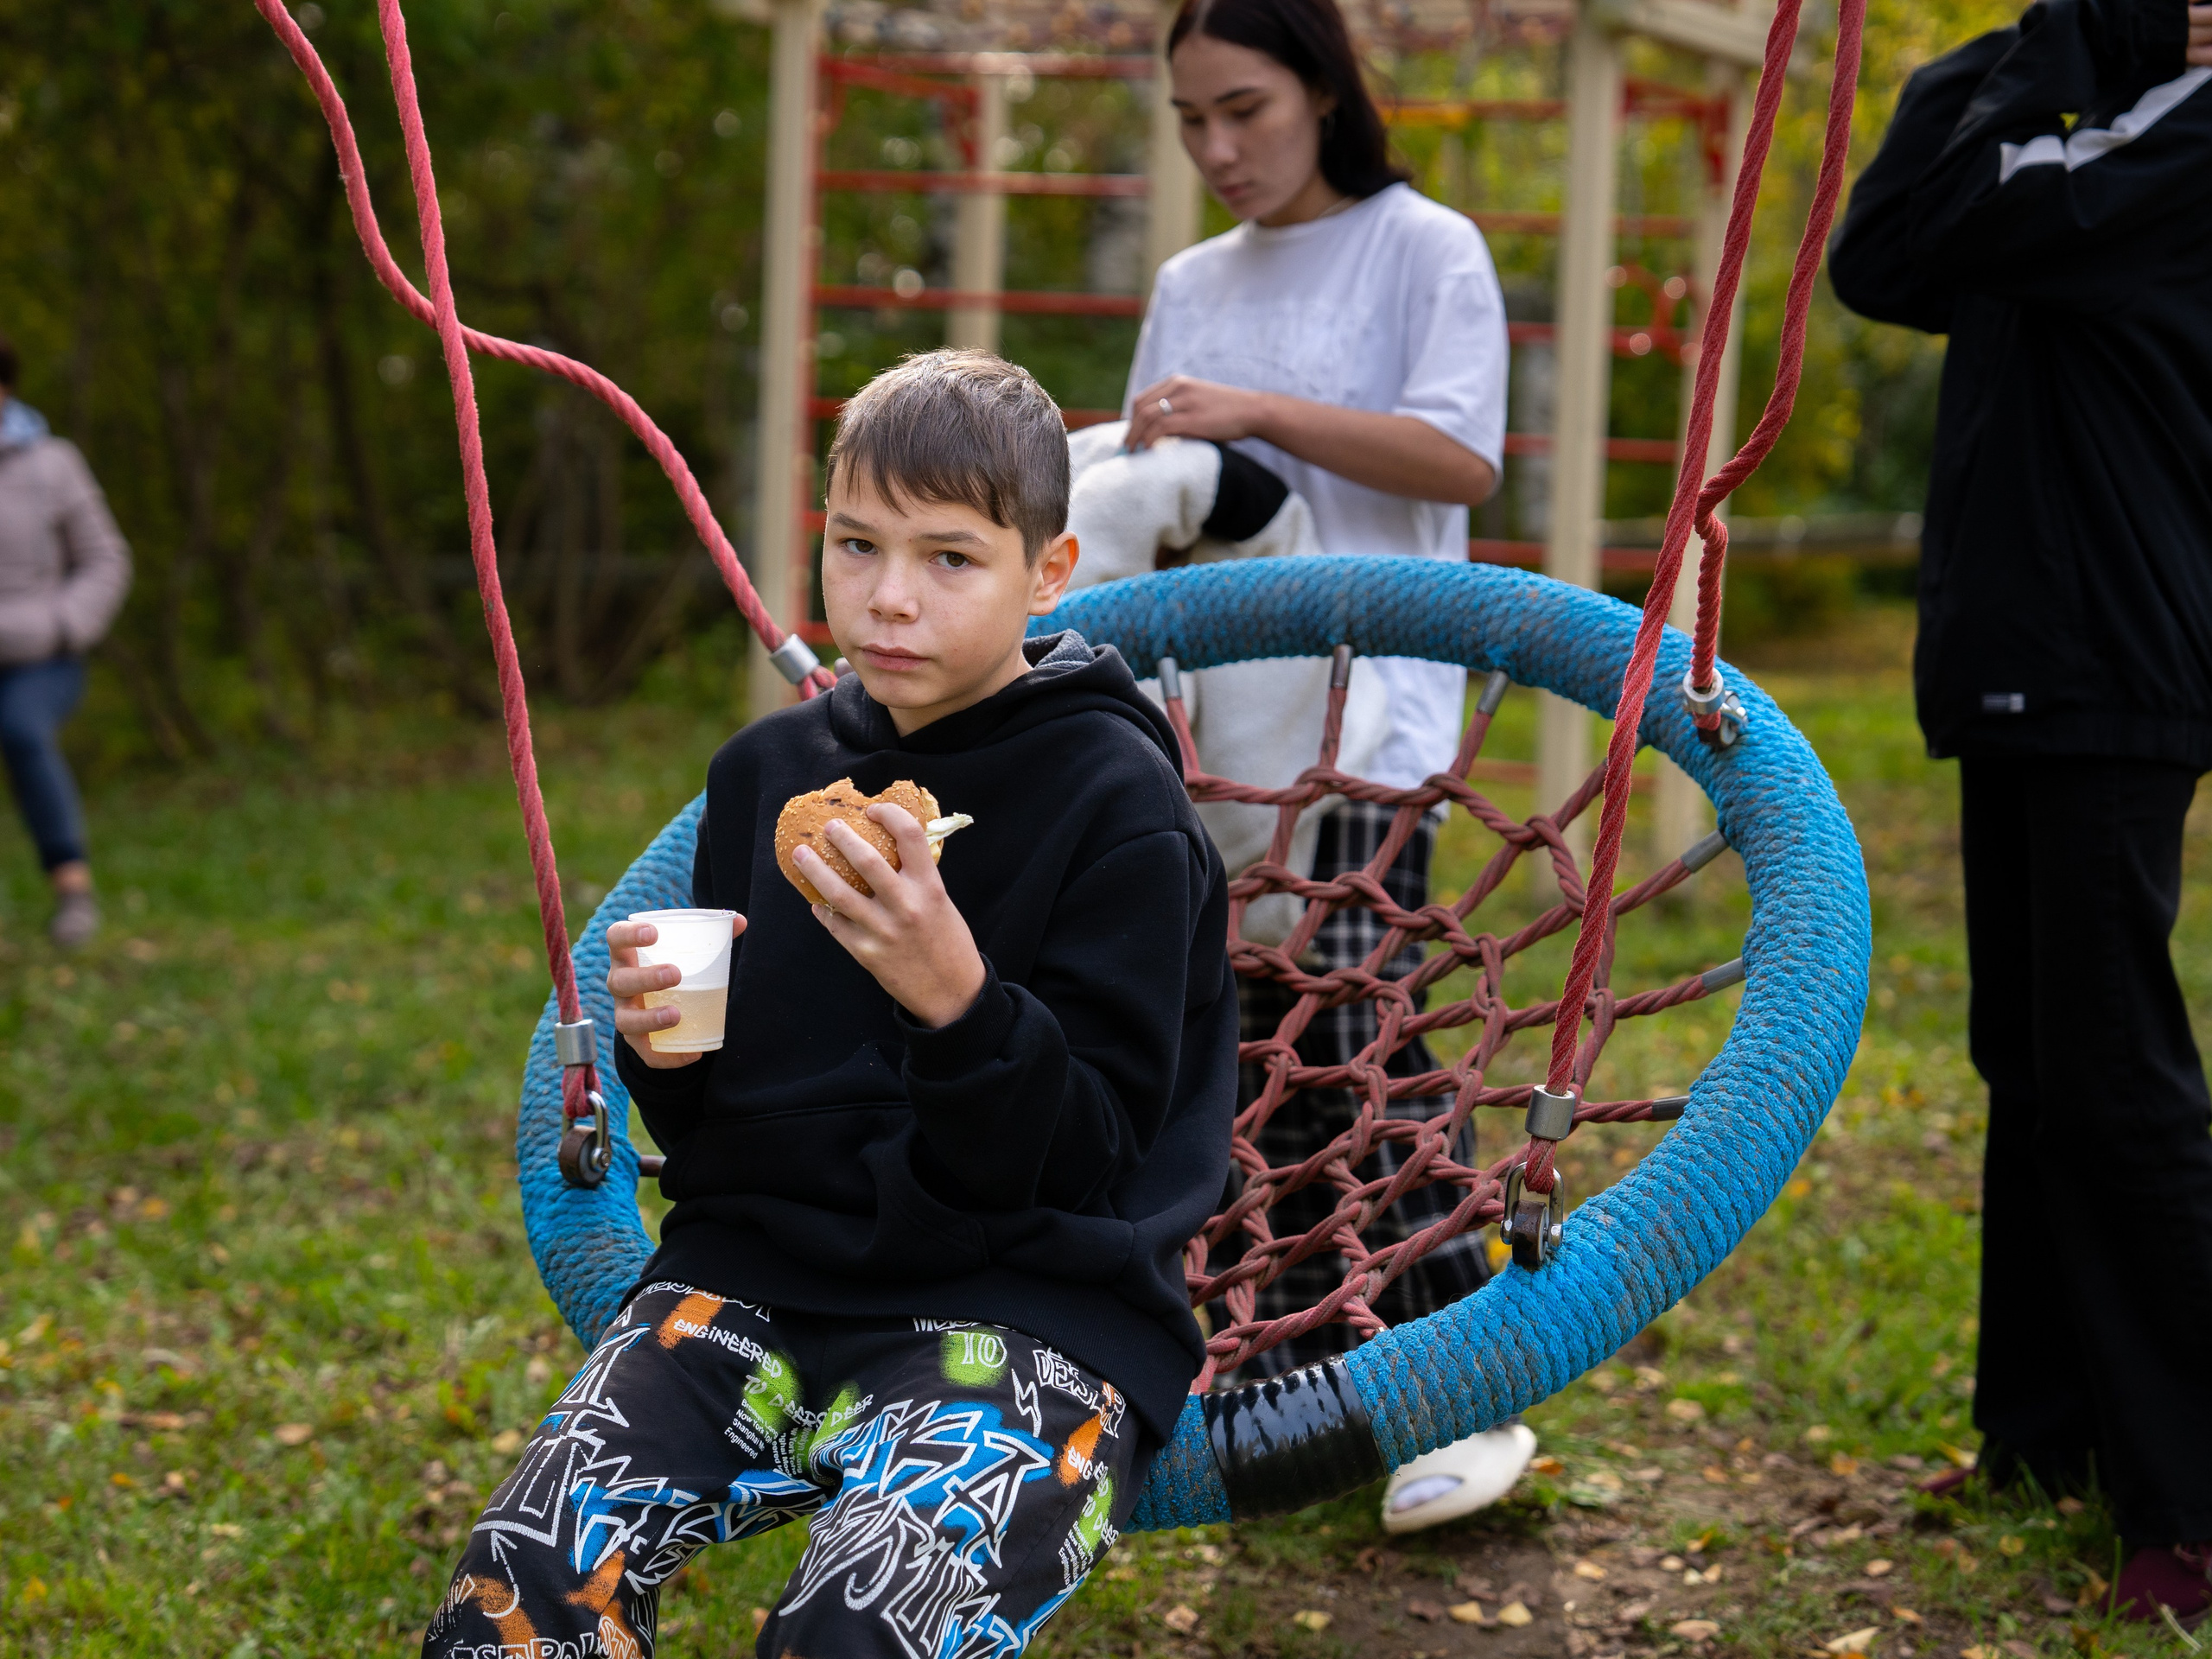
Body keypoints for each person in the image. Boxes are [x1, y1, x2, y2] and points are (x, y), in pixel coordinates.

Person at [421, 352, 1237, 1658]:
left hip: (1029, 1318)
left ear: (1052, 570)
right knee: (516, 1591)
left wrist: (955, 999)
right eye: (855, 545)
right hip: (762, 1287)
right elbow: (728, 1147)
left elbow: (1092, 1162)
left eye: (950, 559)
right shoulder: (768, 776)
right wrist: (666, 1055)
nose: (890, 597)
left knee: (852, 1630)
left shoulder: (1117, 803)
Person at [1829, 0, 2212, 1626]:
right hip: (2023, 652)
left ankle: (2191, 1500)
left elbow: (1985, 207)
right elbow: (1880, 251)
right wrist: (2053, 38)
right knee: (2033, 1057)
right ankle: (2047, 1436)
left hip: (2114, 646)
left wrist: (2067, 42)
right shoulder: (2075, 109)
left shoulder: (2185, 134)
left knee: (2119, 1075)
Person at [1122, 0, 1528, 1533]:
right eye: (1192, 123)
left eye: (1248, 110)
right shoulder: (1185, 282)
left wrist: (1260, 414)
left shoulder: (1427, 249)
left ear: (1324, 92)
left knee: (1359, 1055)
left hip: (1374, 731)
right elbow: (1156, 505)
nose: (1220, 150)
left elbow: (1459, 459)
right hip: (1217, 745)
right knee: (1240, 1080)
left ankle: (1465, 1388)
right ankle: (1306, 1394)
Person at [0, 334, 131, 950]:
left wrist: (61, 626)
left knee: (22, 731)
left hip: (40, 661)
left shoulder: (53, 463)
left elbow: (106, 559)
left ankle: (72, 890)